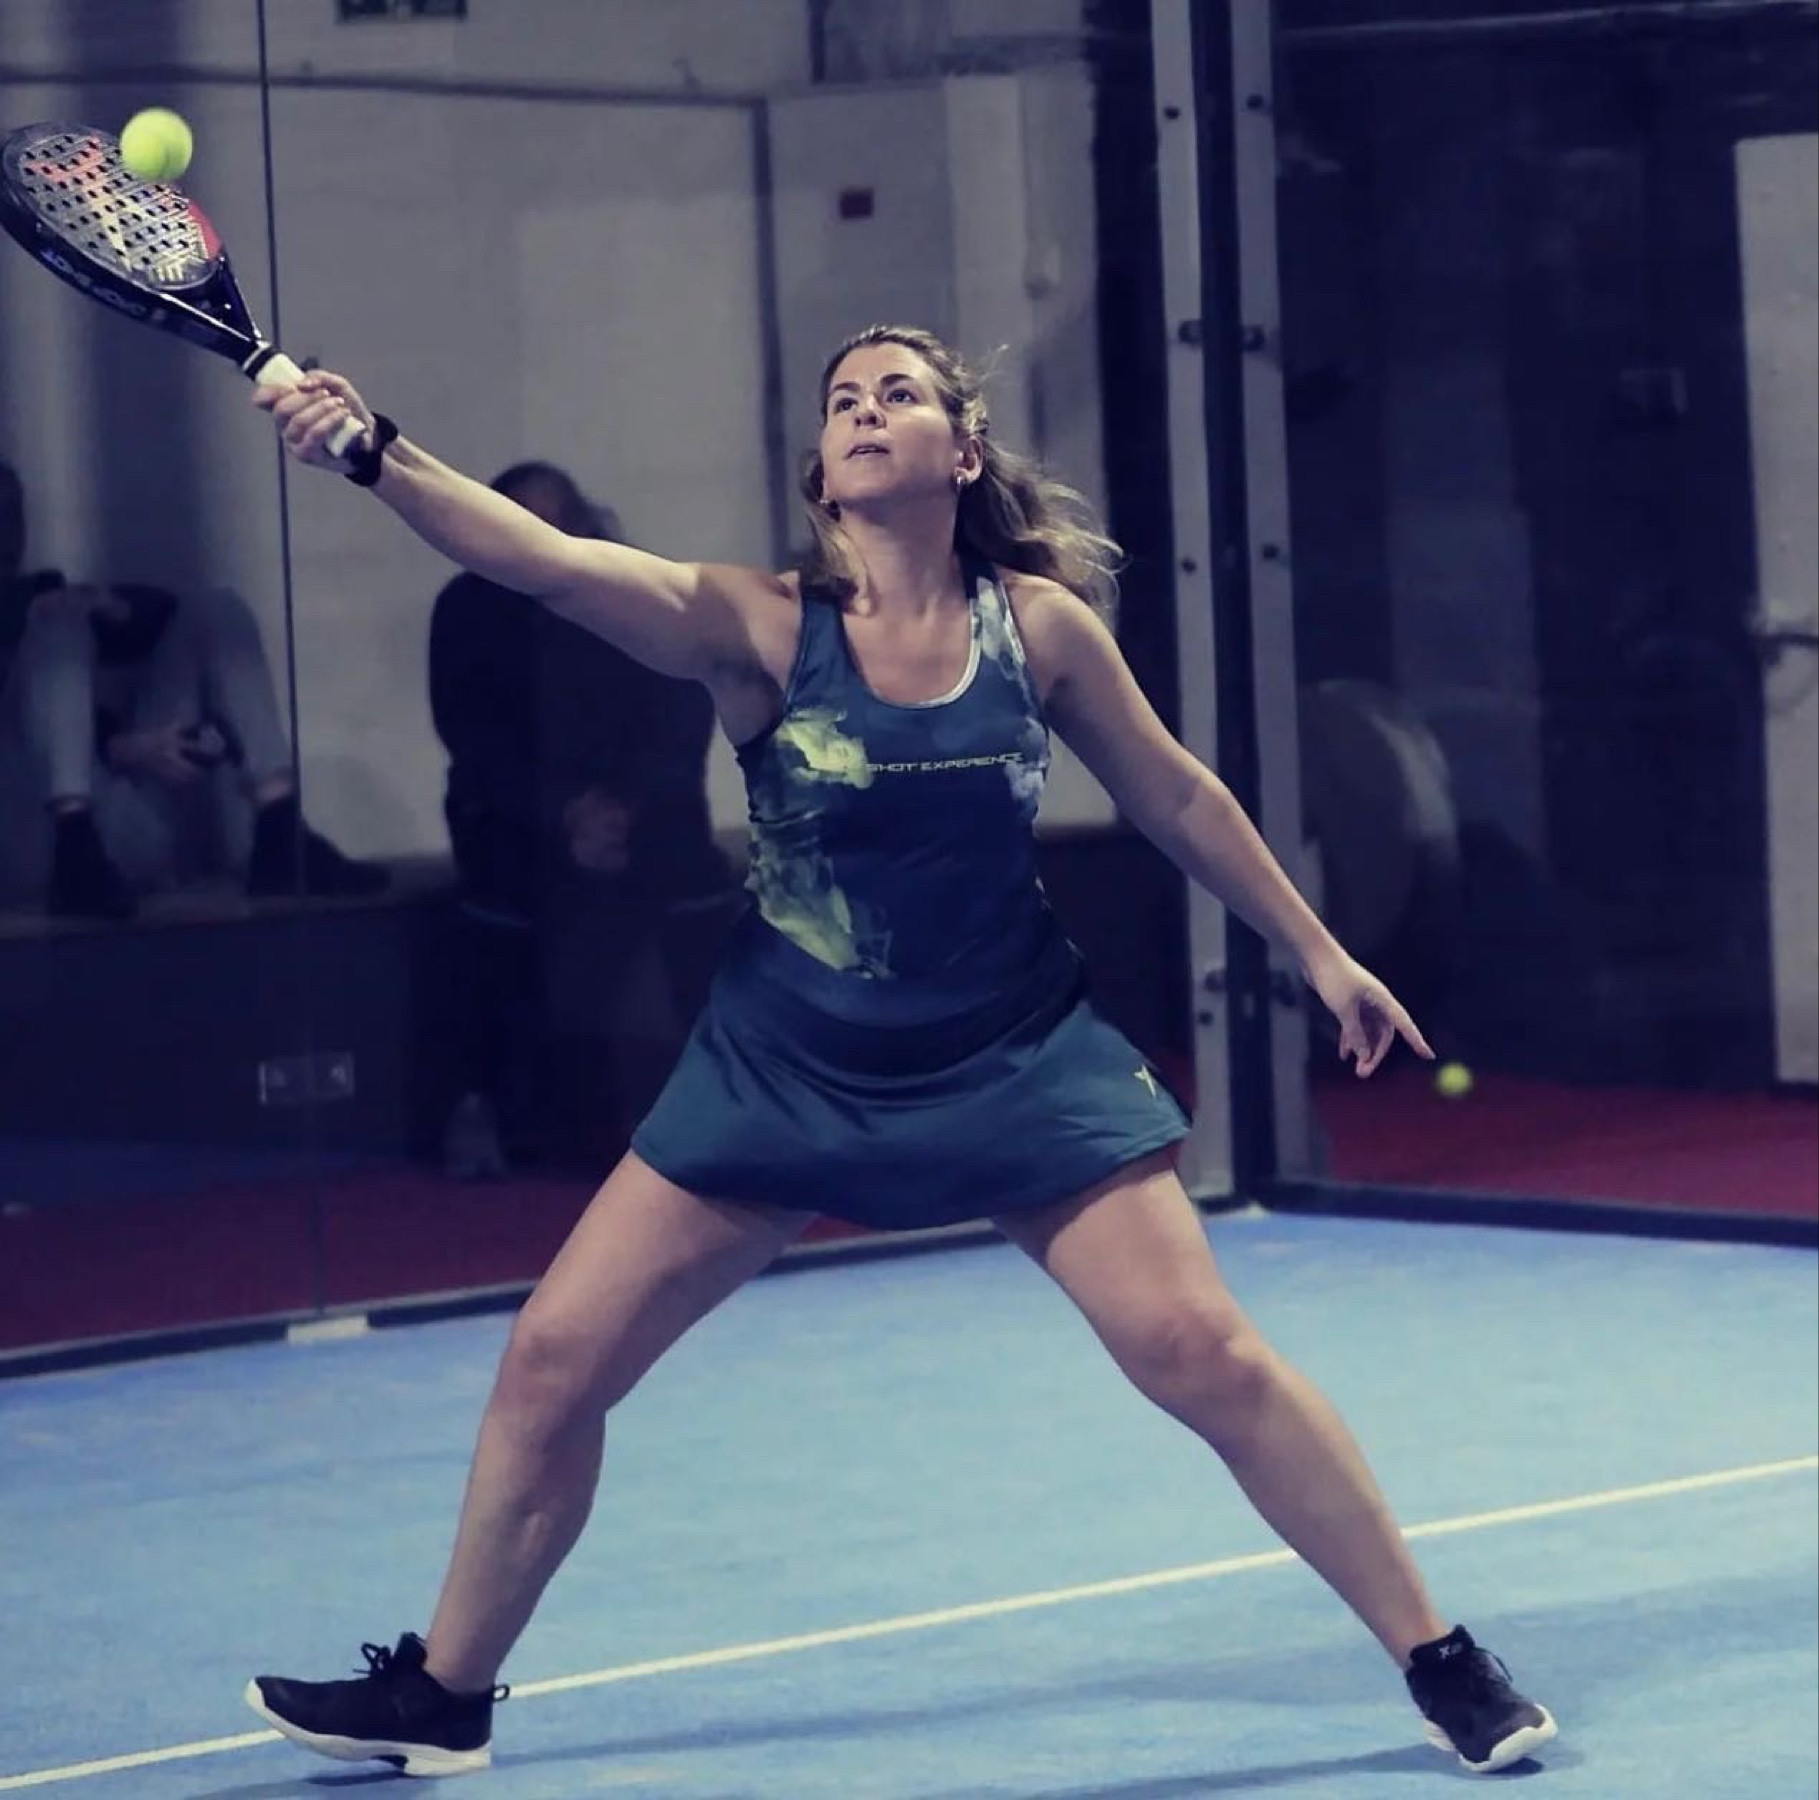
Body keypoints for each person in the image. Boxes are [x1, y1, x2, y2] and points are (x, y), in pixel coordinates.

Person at [244, 326, 1557, 1779]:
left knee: (1202, 1352)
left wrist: (1317, 950)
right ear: (822, 470)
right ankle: (445, 1695)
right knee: (553, 1359)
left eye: (900, 394)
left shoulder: (1038, 630)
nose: (868, 411)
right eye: (844, 402)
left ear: (961, 452)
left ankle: (1440, 1659)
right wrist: (372, 451)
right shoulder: (755, 626)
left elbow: (1175, 796)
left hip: (1013, 1054)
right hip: (780, 1066)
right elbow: (544, 563)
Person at [429, 460, 734, 1176]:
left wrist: (621, 810)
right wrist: (564, 814)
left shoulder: (634, 588)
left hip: (639, 814)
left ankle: (735, 1095)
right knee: (494, 898)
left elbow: (681, 714)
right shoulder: (468, 608)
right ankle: (484, 1103)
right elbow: (472, 738)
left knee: (699, 887)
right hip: (525, 818)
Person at [0, 460, 388, 921]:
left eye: (11, 512)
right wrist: (122, 750)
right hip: (31, 835)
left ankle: (279, 824)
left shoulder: (38, 592)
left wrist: (108, 605)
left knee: (215, 609)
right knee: (53, 621)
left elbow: (163, 613)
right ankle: (74, 845)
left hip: (117, 826)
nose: (8, 531)